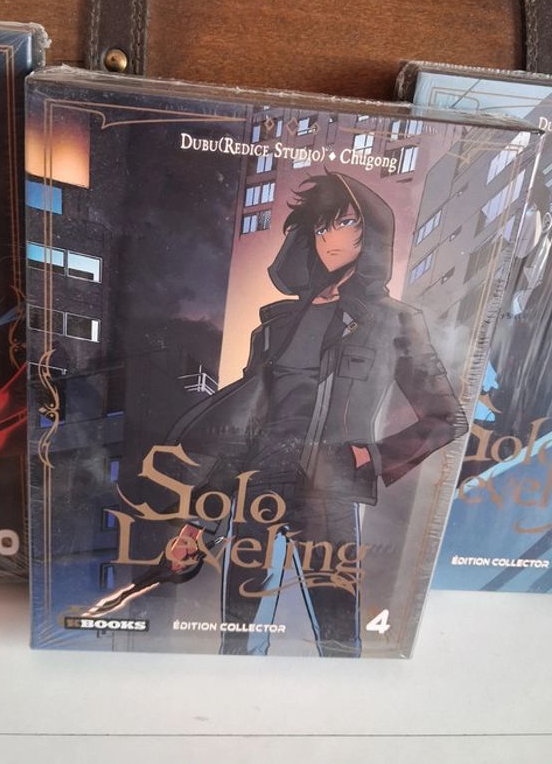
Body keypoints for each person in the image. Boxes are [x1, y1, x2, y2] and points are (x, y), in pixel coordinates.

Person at [93, 172, 465, 656]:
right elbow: (242, 428)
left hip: (328, 490)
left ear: (370, 233)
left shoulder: (393, 321)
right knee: (237, 637)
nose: (330, 236)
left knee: (338, 638)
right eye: (322, 225)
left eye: (345, 222)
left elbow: (446, 418)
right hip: (256, 489)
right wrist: (199, 523)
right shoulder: (276, 325)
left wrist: (369, 458)